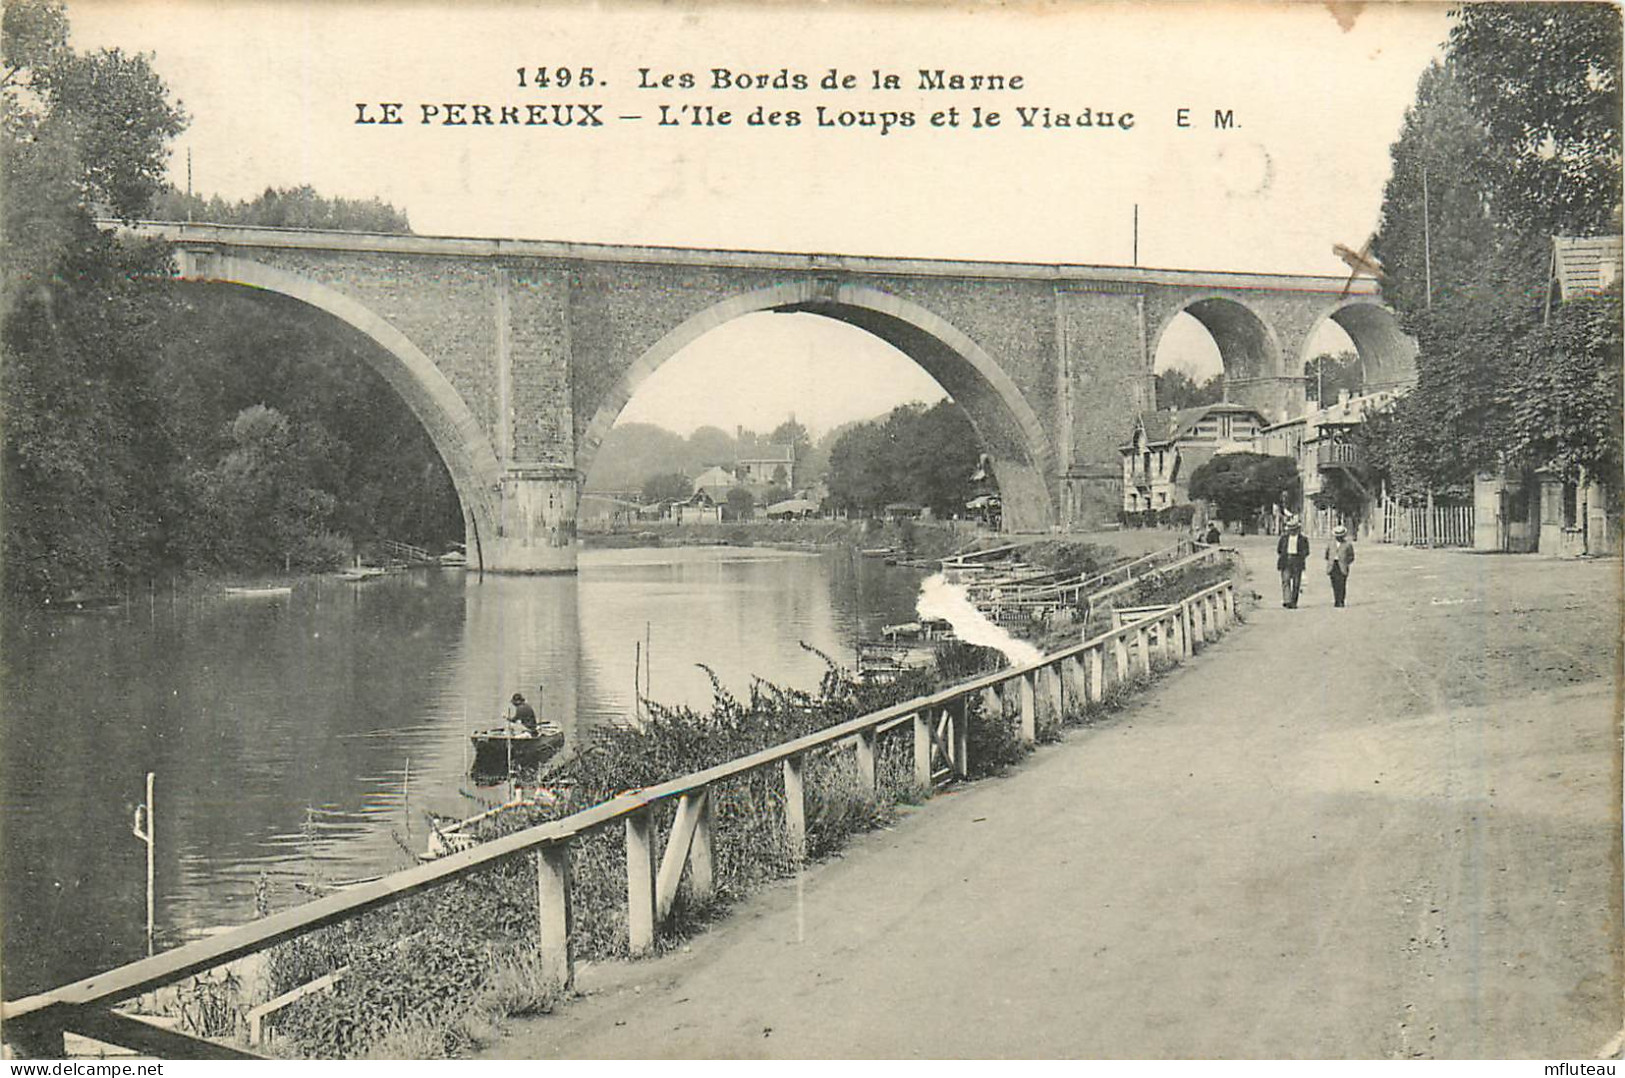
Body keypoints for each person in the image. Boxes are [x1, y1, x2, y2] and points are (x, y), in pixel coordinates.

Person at [1275, 516, 1310, 608]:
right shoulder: (1284, 538)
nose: (1292, 531)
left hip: (1297, 561)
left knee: (1296, 583)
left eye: (1294, 529)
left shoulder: (1303, 539)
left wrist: (1300, 557)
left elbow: (1306, 551)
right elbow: (1279, 549)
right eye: (1290, 529)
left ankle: (1294, 602)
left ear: (1298, 529)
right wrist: (1284, 556)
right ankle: (1287, 600)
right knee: (1285, 581)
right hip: (1286, 560)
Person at [1325, 523, 1356, 608]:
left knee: (1342, 583)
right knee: (1334, 583)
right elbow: (1327, 554)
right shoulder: (1331, 544)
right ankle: (1336, 600)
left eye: (1340, 536)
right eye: (1337, 536)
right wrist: (1330, 561)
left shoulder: (1348, 545)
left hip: (1342, 566)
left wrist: (1346, 562)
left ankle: (1341, 600)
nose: (1338, 537)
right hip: (1333, 565)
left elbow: (1351, 556)